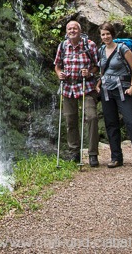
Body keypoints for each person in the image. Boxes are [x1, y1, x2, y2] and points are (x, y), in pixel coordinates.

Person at [97, 21, 132, 171]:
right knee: (111, 124)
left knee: (130, 122)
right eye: (103, 34)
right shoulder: (101, 50)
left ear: (113, 34)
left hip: (123, 90)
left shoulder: (123, 49)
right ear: (100, 36)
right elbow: (102, 71)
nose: (106, 36)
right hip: (106, 91)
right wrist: (98, 85)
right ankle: (116, 157)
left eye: (108, 33)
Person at [54, 20, 100, 167]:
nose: (72, 30)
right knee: (70, 120)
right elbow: (57, 66)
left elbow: (97, 65)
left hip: (86, 86)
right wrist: (59, 74)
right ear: (66, 31)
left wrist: (90, 72)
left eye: (74, 28)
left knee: (92, 117)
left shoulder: (90, 45)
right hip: (68, 87)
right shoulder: (62, 46)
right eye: (69, 29)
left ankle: (93, 154)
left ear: (80, 31)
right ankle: (74, 152)